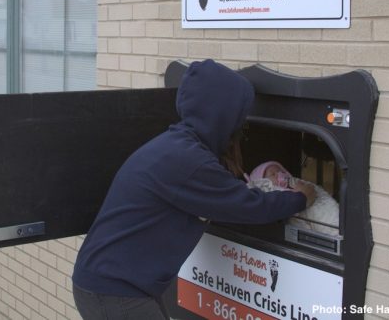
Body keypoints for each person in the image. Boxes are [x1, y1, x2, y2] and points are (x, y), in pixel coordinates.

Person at [71, 59, 316, 319]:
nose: (242, 126)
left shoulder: (177, 145)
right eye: (239, 116)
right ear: (221, 114)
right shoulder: (188, 161)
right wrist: (301, 197)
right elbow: (248, 206)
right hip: (116, 292)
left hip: (113, 283)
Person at [247, 161, 339, 236]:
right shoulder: (270, 191)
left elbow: (312, 192)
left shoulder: (295, 184)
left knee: (325, 215)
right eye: (273, 174)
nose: (279, 175)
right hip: (294, 227)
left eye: (282, 172)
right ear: (262, 181)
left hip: (310, 215)